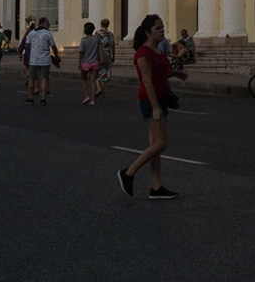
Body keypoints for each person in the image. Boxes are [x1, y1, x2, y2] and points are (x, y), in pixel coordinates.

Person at [117, 14, 186, 200]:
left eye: (162, 27)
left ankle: (156, 188)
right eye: (158, 28)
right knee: (162, 143)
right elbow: (146, 81)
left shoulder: (158, 50)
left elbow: (160, 73)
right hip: (150, 102)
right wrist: (155, 108)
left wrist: (176, 74)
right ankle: (129, 173)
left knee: (154, 146)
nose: (162, 30)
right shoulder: (142, 53)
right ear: (148, 32)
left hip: (161, 99)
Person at [24, 18, 58, 104]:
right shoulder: (48, 33)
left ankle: (30, 97)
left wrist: (34, 48)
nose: (49, 25)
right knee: (44, 78)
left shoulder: (32, 33)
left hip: (33, 59)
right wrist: (56, 56)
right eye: (48, 23)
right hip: (45, 60)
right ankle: (43, 99)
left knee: (32, 78)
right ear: (43, 24)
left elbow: (27, 45)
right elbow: (53, 46)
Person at [77, 21, 103, 105]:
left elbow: (81, 52)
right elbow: (100, 48)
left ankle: (86, 95)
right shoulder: (96, 38)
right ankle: (92, 99)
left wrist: (79, 62)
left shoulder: (83, 40)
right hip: (95, 62)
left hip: (85, 62)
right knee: (93, 80)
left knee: (83, 79)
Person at [96, 18, 116, 97]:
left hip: (99, 55)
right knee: (105, 74)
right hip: (107, 56)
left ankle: (98, 88)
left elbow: (95, 45)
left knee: (97, 73)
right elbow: (112, 46)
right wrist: (114, 56)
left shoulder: (97, 34)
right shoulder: (110, 34)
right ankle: (103, 91)